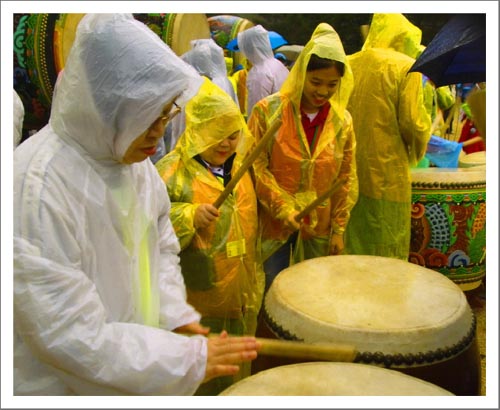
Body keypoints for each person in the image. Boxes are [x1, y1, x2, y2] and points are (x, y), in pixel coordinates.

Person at [13, 13, 260, 396]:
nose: (160, 133)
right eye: (150, 118)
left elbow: (158, 242)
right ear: (108, 107)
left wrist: (172, 312)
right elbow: (70, 337)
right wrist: (184, 360)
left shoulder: (131, 164)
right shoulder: (37, 190)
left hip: (134, 366)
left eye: (167, 115)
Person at [155, 78, 264, 394]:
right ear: (198, 130)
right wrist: (189, 214)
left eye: (232, 136)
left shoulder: (241, 167)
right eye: (217, 135)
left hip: (240, 293)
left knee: (234, 368)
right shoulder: (171, 172)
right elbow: (148, 226)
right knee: (199, 368)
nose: (226, 144)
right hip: (198, 296)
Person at [248, 23, 358, 292]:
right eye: (316, 82)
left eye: (332, 84)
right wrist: (282, 207)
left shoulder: (342, 122)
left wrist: (339, 230)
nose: (322, 92)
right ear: (301, 75)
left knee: (312, 292)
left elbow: (345, 178)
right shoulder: (268, 112)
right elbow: (254, 165)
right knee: (273, 288)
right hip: (274, 224)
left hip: (318, 227)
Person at [344, 13, 431, 259]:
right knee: (386, 240)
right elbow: (414, 123)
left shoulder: (349, 62)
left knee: (352, 240)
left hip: (348, 171)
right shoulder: (406, 67)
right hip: (387, 175)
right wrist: (420, 146)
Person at [237, 24, 290, 117]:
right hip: (285, 123)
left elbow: (256, 111)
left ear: (247, 49)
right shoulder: (279, 65)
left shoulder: (258, 72)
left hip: (269, 128)